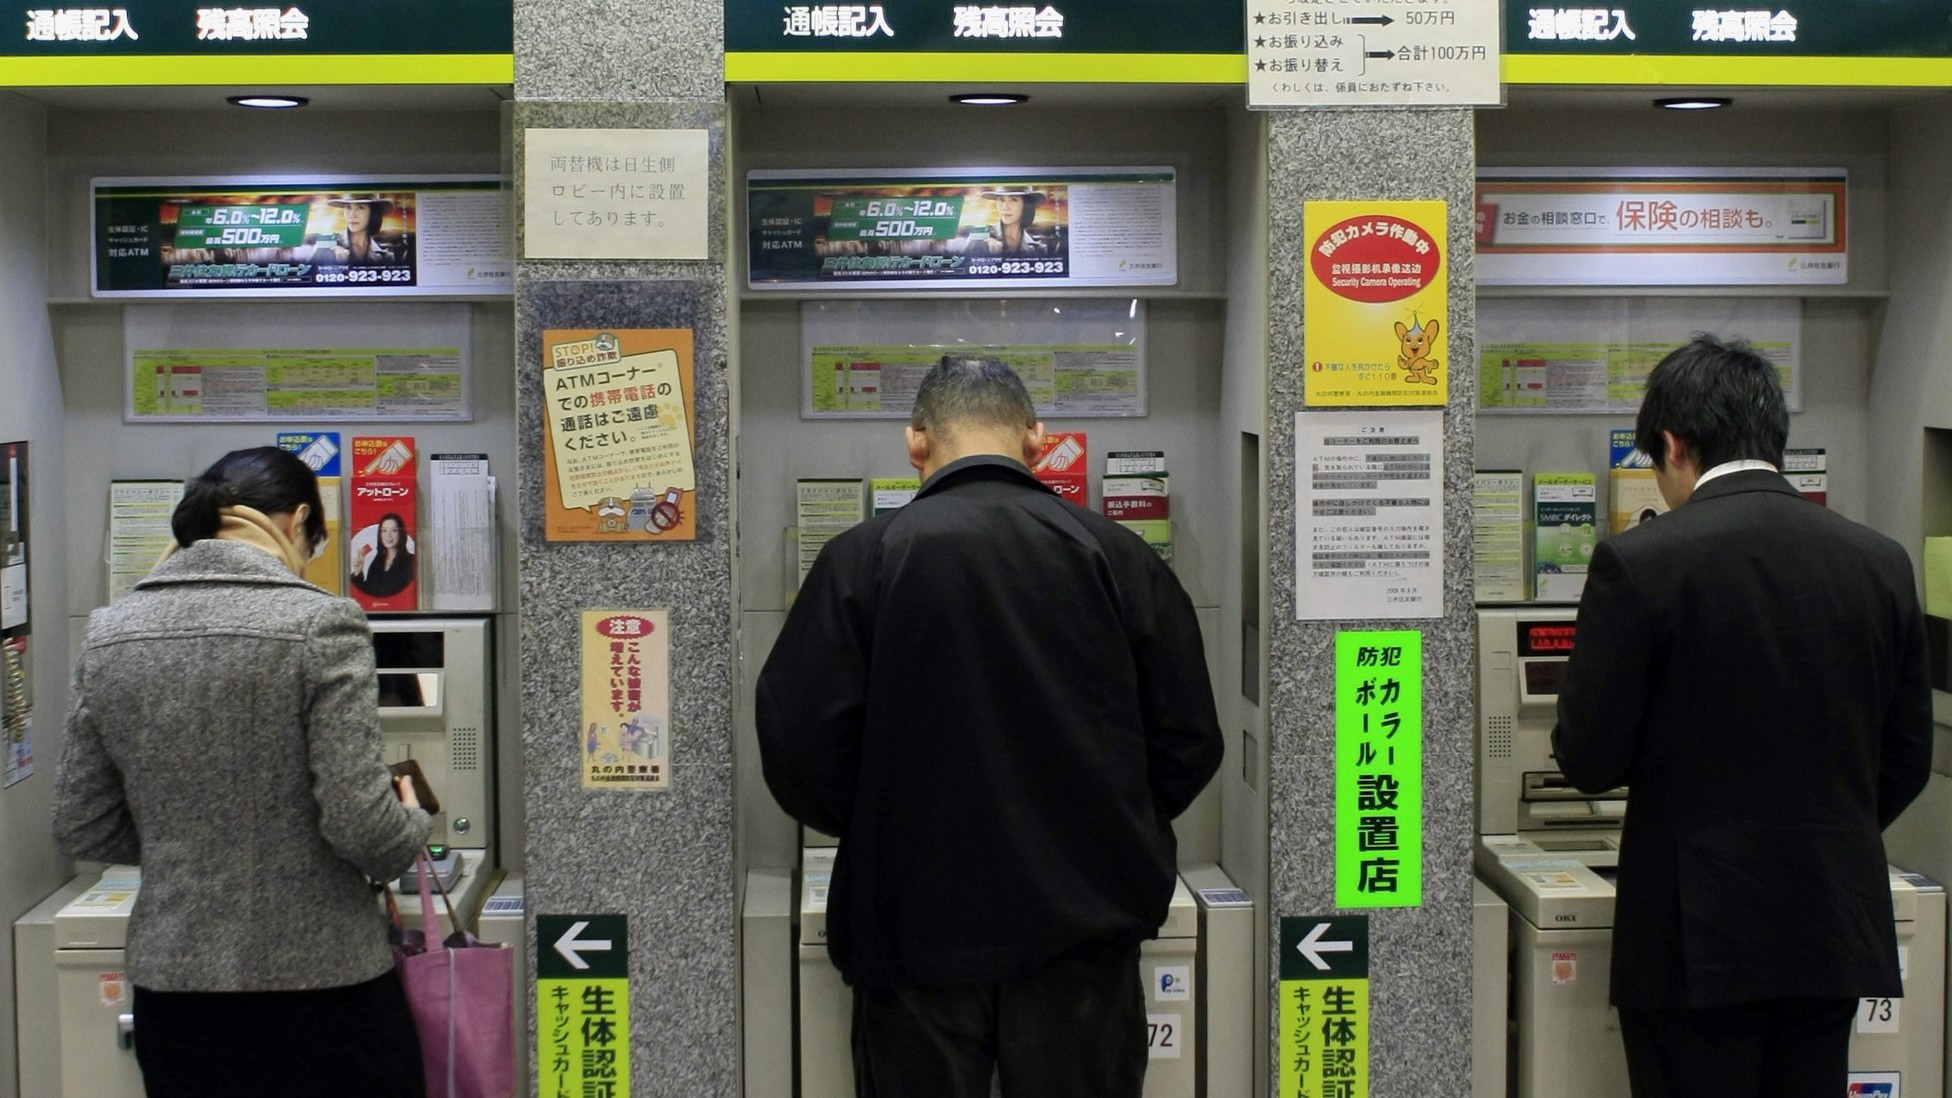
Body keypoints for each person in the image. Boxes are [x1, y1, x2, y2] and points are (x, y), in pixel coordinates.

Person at [756, 355, 1222, 1098]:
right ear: (1035, 439)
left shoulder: (860, 560)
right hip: (1084, 934)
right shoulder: (1117, 556)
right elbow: (1189, 739)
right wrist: (1109, 821)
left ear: (916, 442)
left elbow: (797, 746)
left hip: (911, 934)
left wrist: (881, 821)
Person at [1551, 336, 1932, 1098]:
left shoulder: (1641, 563)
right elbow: (1907, 757)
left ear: (1672, 444)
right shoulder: (1881, 561)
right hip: (1831, 926)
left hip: (1691, 942)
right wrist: (1824, 833)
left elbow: (1589, 757)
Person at [53, 446, 431, 1097]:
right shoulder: (321, 621)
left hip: (176, 993)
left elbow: (81, 822)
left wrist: (186, 840)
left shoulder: (111, 631)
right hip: (325, 990)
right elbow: (361, 825)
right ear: (298, 520)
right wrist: (414, 823)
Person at [320, 194, 405, 266]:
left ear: (373, 213)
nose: (352, 215)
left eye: (360, 207)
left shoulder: (386, 257)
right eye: (348, 207)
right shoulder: (327, 245)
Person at [351, 512, 415, 598]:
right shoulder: (377, 562)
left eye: (394, 530)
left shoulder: (411, 561)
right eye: (384, 530)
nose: (388, 535)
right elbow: (369, 590)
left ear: (401, 533)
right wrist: (358, 571)